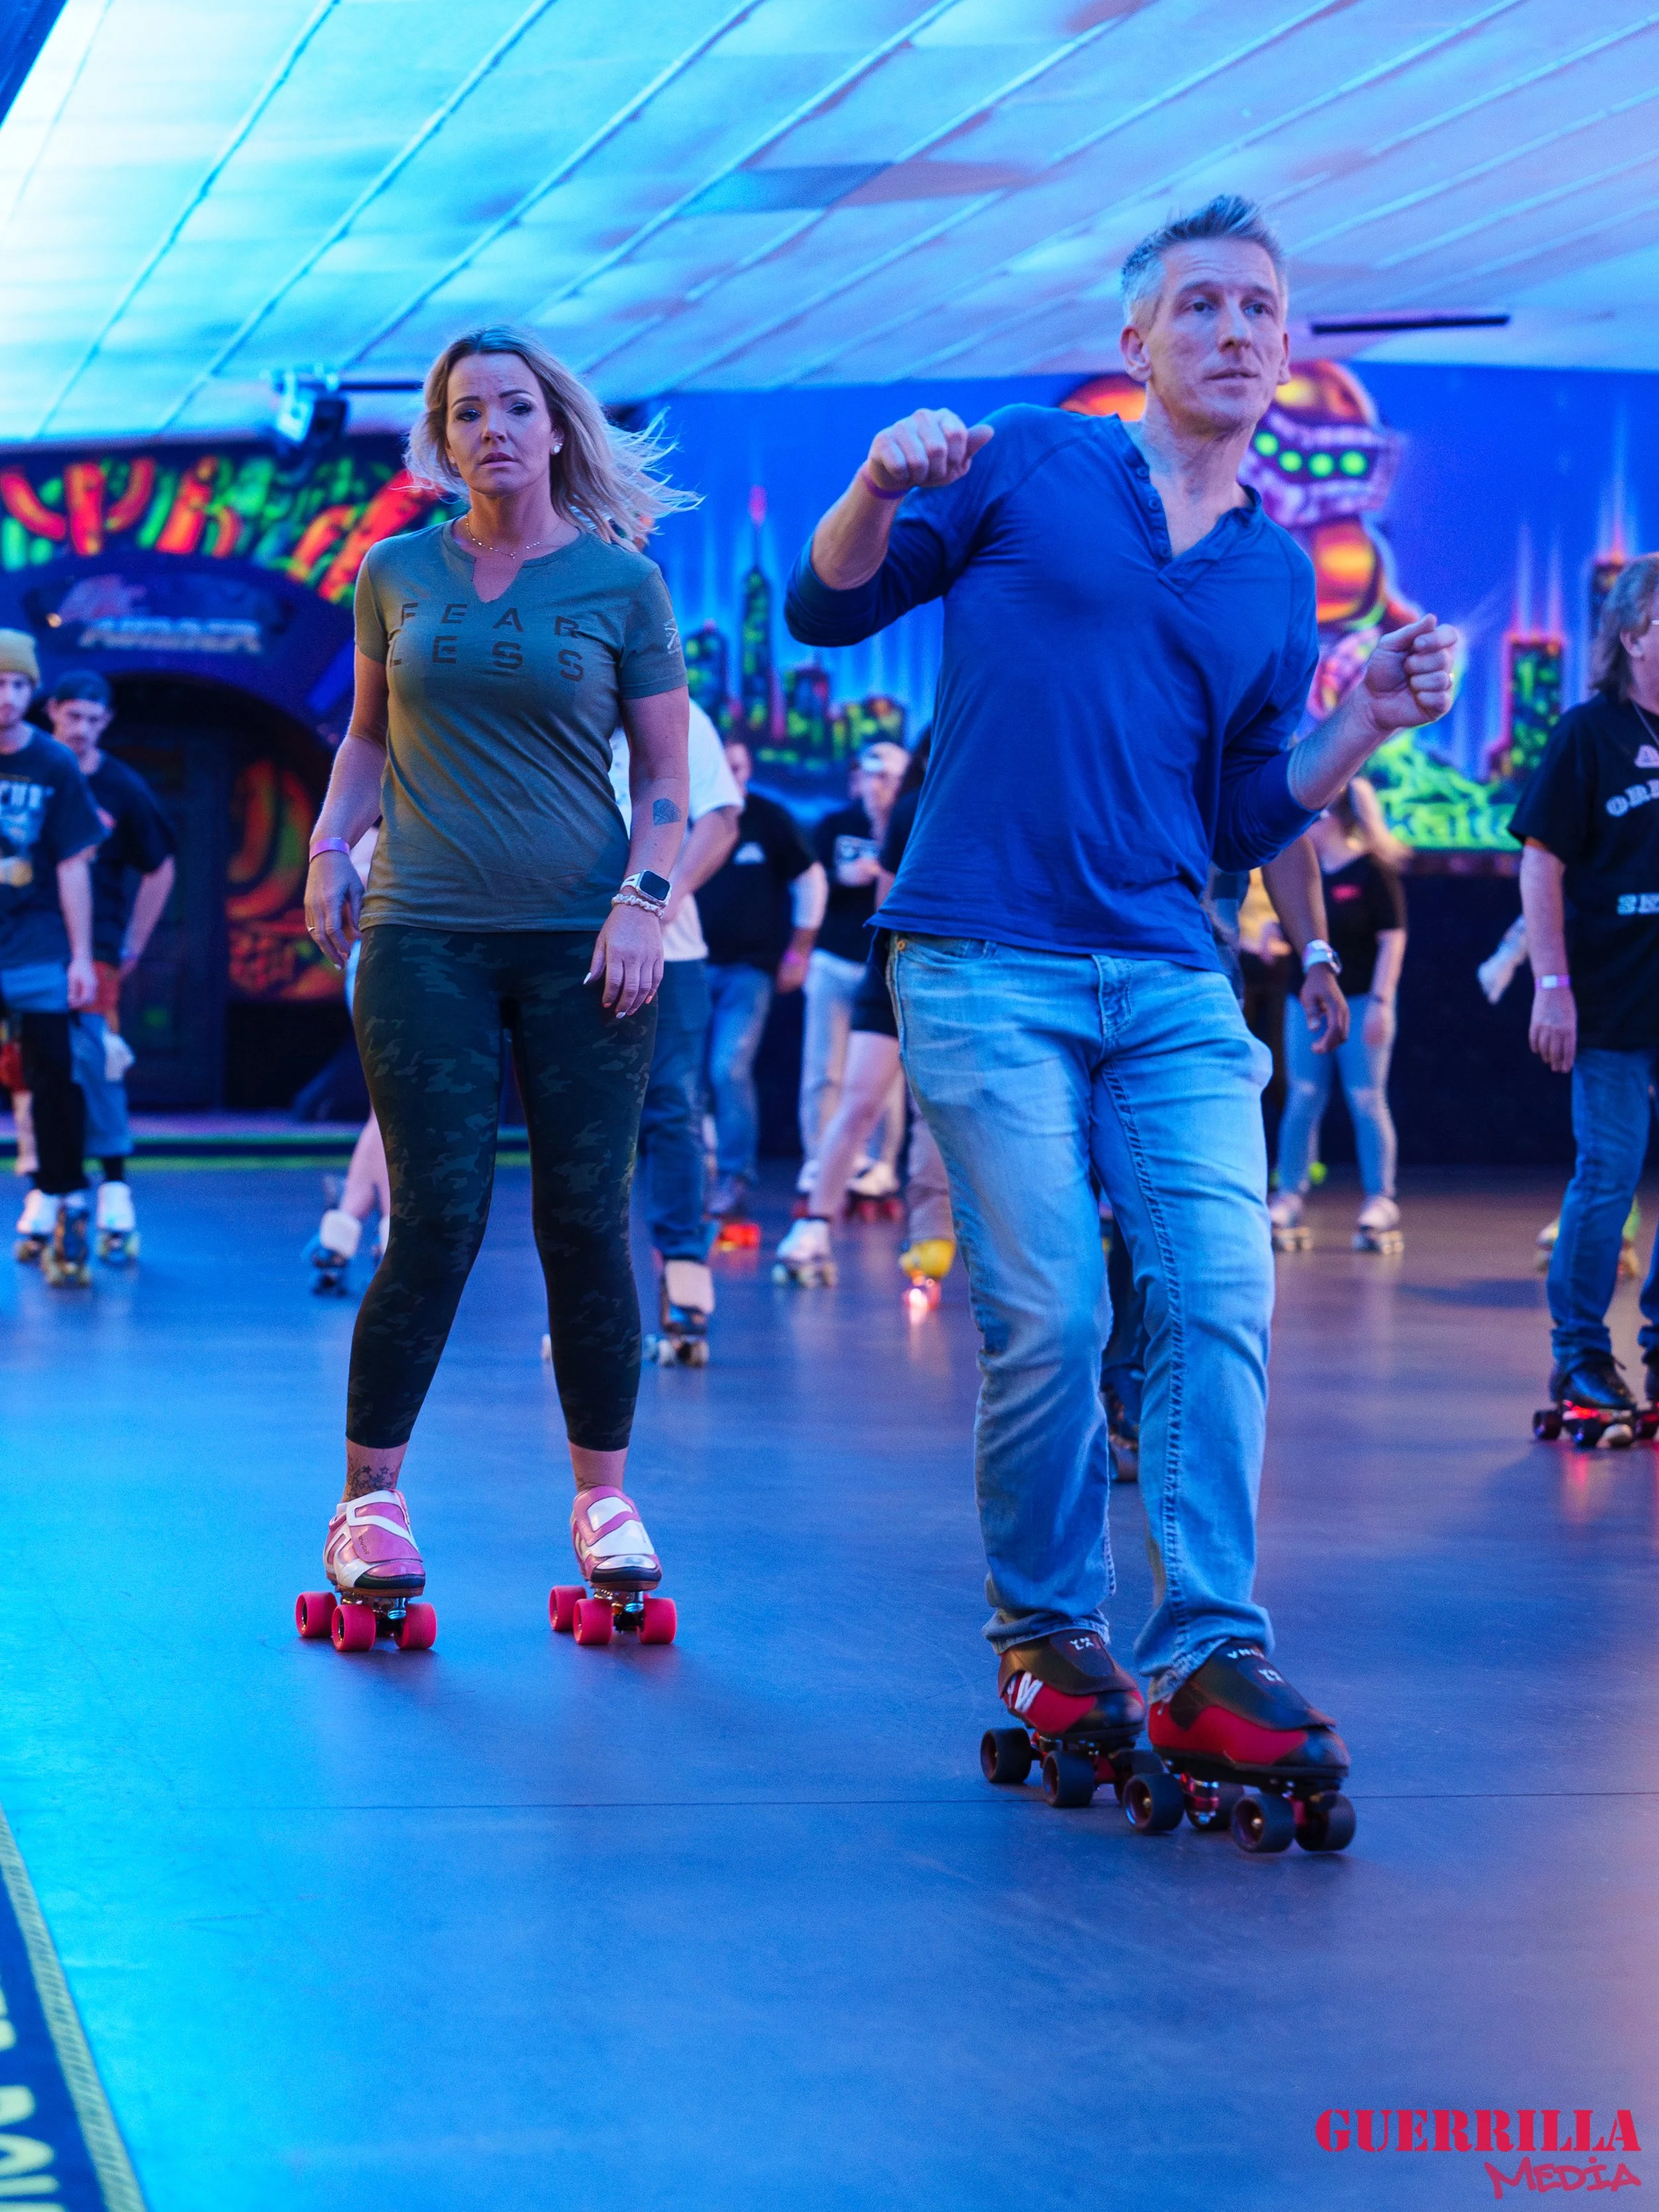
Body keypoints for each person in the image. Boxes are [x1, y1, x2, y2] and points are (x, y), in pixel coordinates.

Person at [786, 193, 1457, 1801]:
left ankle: (1211, 1645)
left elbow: (1238, 812)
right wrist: (878, 479)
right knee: (1058, 1308)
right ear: (1136, 341)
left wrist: (1361, 718)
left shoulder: (1273, 572)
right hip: (982, 957)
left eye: (1259, 313)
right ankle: (1046, 1632)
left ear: (1282, 353)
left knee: (1218, 1298)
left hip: (1168, 972)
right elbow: (827, 602)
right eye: (1203, 306)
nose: (1235, 332)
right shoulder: (1028, 459)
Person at [301, 325, 693, 1639]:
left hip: (583, 942)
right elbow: (364, 740)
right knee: (438, 1217)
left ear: (555, 425)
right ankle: (368, 1501)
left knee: (586, 1217)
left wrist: (644, 904)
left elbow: (666, 788)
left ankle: (604, 1501)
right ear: (444, 436)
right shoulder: (394, 571)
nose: (492, 431)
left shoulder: (620, 586)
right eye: (467, 413)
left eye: (514, 408)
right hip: (420, 936)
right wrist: (325, 845)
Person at [1102, 840, 1349, 1478]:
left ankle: (1134, 1385)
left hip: (1196, 979)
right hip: (1067, 958)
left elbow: (1286, 819)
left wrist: (1316, 955)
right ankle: (1100, 1380)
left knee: (1190, 1231)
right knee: (1066, 1224)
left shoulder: (1240, 739)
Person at [1514, 552, 1659, 1428]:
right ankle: (1581, 1360)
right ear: (1636, 635)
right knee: (1609, 1175)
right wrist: (1551, 985)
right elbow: (1541, 864)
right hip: (1607, 1002)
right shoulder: (1587, 734)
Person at [774, 737, 956, 1297]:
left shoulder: (940, 804)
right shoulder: (911, 809)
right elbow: (884, 901)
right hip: (907, 970)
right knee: (865, 1100)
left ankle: (924, 1237)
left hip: (944, 974)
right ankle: (818, 1225)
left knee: (931, 1112)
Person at [609, 700, 739, 1362]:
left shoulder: (678, 711)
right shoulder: (547, 686)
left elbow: (720, 814)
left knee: (674, 1110)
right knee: (581, 1121)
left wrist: (669, 891)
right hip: (561, 942)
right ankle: (590, 1290)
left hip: (672, 950)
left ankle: (685, 1273)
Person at [41, 669, 175, 1264]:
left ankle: (115, 1184)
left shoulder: (121, 786)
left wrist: (133, 942)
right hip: (28, 942)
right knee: (34, 1067)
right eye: (74, 717)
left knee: (97, 1057)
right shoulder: (33, 772)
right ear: (54, 713)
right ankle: (47, 1188)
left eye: (95, 721)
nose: (83, 730)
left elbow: (160, 864)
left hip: (94, 946)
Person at [0, 632, 102, 1286]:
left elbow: (72, 865)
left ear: (32, 693)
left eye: (15, 685)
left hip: (36, 943)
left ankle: (67, 1200)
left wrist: (83, 957)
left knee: (54, 1079)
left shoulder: (54, 765)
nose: (4, 697)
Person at [1267, 779, 1407, 1255]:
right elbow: (1285, 922)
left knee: (1367, 1098)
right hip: (1304, 1003)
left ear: (1336, 817)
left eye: (1317, 813)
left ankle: (1380, 1200)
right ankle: (1288, 1194)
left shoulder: (1371, 872)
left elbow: (1393, 938)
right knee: (1303, 1096)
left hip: (1364, 999)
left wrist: (1384, 1003)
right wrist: (1270, 935)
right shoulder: (1303, 871)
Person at [697, 737, 825, 1220]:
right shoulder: (685, 812)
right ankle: (689, 1177)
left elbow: (811, 880)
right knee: (682, 1079)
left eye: (741, 766)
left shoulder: (769, 818)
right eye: (725, 766)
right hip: (685, 964)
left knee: (728, 1068)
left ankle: (734, 1178)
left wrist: (800, 950)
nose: (733, 775)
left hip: (750, 969)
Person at [796, 740, 907, 1205]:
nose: (876, 784)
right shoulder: (834, 824)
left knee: (887, 1075)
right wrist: (846, 877)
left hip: (884, 964)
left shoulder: (908, 824)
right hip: (834, 957)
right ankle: (821, 1158)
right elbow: (810, 881)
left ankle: (880, 1164)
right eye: (869, 773)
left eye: (886, 776)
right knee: (825, 1067)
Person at [304, 827, 390, 1295]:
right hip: (385, 962)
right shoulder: (371, 826)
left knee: (390, 1107)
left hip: (408, 964)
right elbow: (342, 901)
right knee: (399, 1105)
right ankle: (388, 1232)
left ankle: (341, 1228)